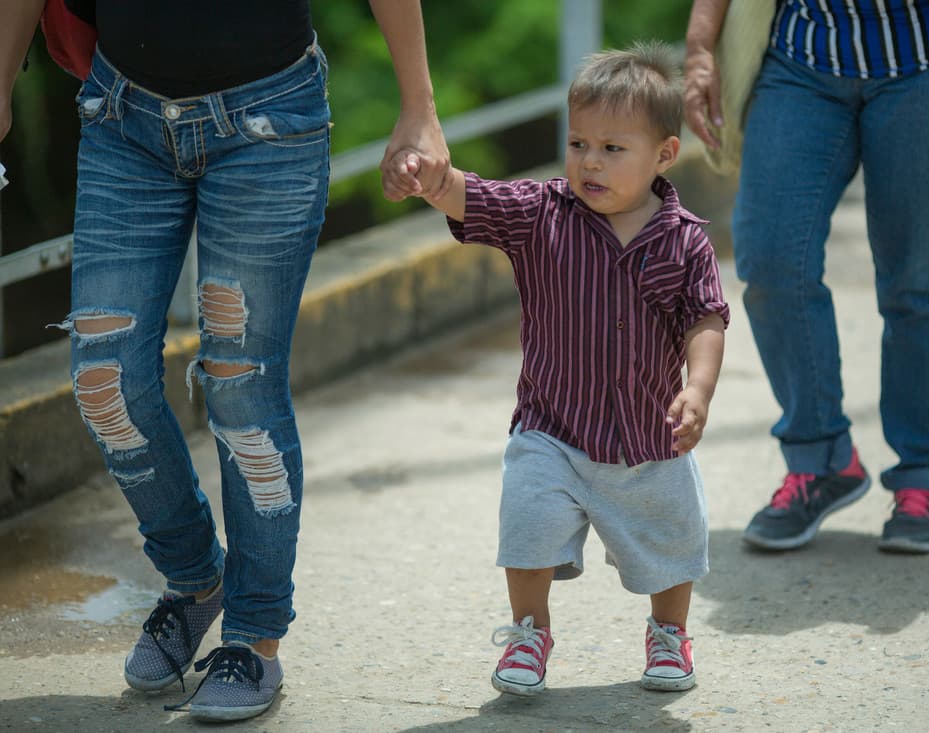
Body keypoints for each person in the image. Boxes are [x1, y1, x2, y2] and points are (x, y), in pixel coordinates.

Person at [1, 0, 450, 722]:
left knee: (242, 389)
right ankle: (195, 578)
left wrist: (419, 107)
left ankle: (254, 637)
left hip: (268, 122)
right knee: (103, 380)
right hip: (124, 116)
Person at [402, 41, 729, 695]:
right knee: (526, 528)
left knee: (672, 537)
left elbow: (706, 319)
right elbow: (475, 198)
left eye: (613, 148)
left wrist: (697, 389)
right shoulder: (540, 214)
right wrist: (432, 177)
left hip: (648, 436)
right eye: (579, 142)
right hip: (552, 427)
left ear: (665, 153)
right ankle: (529, 631)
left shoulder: (684, 237)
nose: (589, 161)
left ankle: (669, 632)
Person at [684, 0, 929, 554]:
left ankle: (926, 473)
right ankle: (821, 459)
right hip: (806, 54)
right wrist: (701, 46)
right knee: (771, 257)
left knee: (920, 279)